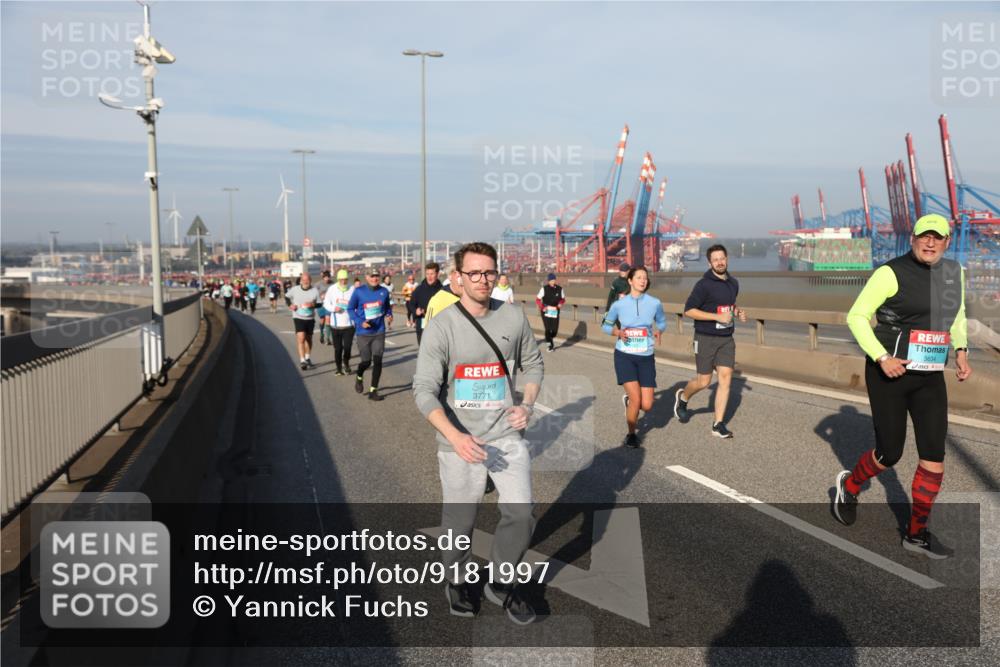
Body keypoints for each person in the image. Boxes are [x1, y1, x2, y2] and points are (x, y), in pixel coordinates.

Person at [412, 242, 543, 624]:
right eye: (474, 273)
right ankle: (455, 578)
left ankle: (500, 583)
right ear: (458, 279)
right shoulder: (443, 326)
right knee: (461, 521)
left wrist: (527, 405)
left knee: (522, 514)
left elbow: (534, 365)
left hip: (505, 434)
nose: (483, 280)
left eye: (489, 272)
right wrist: (454, 437)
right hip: (460, 440)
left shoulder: (514, 318)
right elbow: (422, 389)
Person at [833, 214, 971, 559]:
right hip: (889, 375)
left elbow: (957, 315)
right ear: (912, 238)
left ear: (947, 242)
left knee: (934, 458)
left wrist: (962, 351)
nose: (930, 243)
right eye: (924, 237)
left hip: (929, 377)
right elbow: (857, 316)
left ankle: (916, 533)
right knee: (889, 454)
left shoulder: (955, 274)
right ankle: (849, 486)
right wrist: (882, 357)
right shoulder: (890, 272)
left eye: (937, 238)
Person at [674, 244, 747, 438]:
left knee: (725, 379)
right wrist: (716, 317)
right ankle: (683, 397)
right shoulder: (703, 284)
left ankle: (718, 424)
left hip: (726, 339)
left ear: (727, 259)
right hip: (705, 337)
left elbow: (728, 306)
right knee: (704, 382)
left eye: (722, 258)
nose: (719, 262)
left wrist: (737, 312)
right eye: (715, 260)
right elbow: (689, 310)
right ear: (709, 263)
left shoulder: (734, 283)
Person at [602, 266, 667, 448]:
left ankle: (629, 402)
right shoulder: (619, 304)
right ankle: (631, 434)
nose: (643, 280)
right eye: (638, 277)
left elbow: (662, 322)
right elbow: (605, 326)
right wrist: (617, 332)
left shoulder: (654, 303)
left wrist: (659, 330)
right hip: (625, 356)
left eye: (645, 277)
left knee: (647, 405)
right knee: (637, 399)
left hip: (646, 357)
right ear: (630, 281)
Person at [348, 268, 393, 400]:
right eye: (372, 276)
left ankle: (373, 390)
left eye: (376, 276)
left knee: (378, 361)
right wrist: (360, 321)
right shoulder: (359, 292)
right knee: (366, 362)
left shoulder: (384, 291)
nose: (374, 279)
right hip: (363, 333)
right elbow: (350, 308)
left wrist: (389, 315)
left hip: (379, 331)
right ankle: (359, 376)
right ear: (366, 278)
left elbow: (386, 307)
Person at [323, 269, 356, 376]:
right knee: (338, 349)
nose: (343, 281)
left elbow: (357, 303)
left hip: (349, 325)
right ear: (338, 279)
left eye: (345, 279)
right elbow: (326, 303)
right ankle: (338, 368)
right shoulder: (332, 289)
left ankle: (346, 363)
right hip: (336, 325)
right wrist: (334, 308)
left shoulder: (352, 289)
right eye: (341, 279)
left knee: (347, 348)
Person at [285, 273, 320, 371]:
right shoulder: (295, 289)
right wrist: (290, 305)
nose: (305, 282)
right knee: (301, 338)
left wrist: (312, 305)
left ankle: (307, 357)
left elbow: (320, 304)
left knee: (308, 339)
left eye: (307, 280)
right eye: (304, 280)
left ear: (310, 280)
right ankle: (302, 360)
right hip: (298, 317)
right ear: (301, 281)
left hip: (310, 318)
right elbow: (287, 297)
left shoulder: (314, 291)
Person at [411, 262, 443, 345]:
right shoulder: (419, 289)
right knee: (424, 352)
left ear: (437, 274)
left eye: (432, 274)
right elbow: (411, 304)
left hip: (438, 327)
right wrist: (415, 311)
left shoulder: (443, 290)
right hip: (422, 326)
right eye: (427, 274)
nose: (429, 277)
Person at [535, 273, 565, 352]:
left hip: (555, 310)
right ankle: (549, 344)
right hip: (546, 310)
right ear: (548, 281)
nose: (552, 281)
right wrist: (543, 307)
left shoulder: (560, 289)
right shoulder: (544, 289)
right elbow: (537, 300)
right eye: (551, 280)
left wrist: (560, 304)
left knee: (554, 331)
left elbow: (563, 299)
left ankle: (550, 338)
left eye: (554, 280)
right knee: (548, 328)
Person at [316, 270, 333, 344]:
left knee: (328, 319)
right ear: (323, 278)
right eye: (325, 277)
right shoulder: (318, 284)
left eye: (328, 277)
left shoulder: (333, 284)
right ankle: (322, 334)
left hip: (329, 305)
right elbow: (314, 293)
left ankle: (327, 338)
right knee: (322, 320)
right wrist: (320, 296)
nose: (327, 279)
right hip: (321, 304)